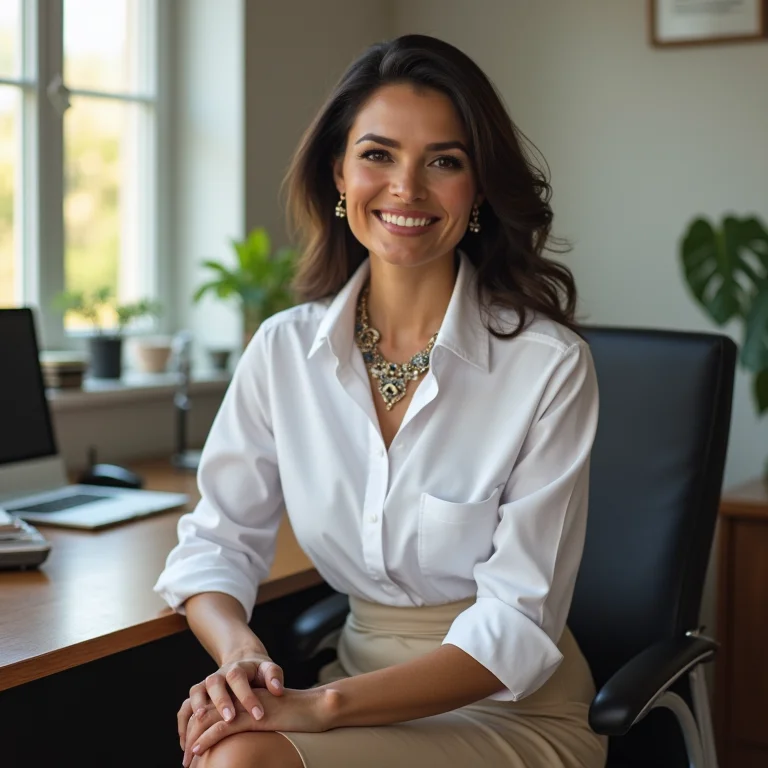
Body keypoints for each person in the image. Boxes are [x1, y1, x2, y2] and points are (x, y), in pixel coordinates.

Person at [154, 33, 606, 768]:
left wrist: (319, 707)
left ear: (480, 188)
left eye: (445, 162)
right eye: (378, 154)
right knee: (226, 741)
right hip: (355, 684)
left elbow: (519, 623)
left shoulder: (547, 367)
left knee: (238, 759)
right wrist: (240, 660)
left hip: (510, 708)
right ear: (338, 172)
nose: (407, 188)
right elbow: (215, 543)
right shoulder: (282, 350)